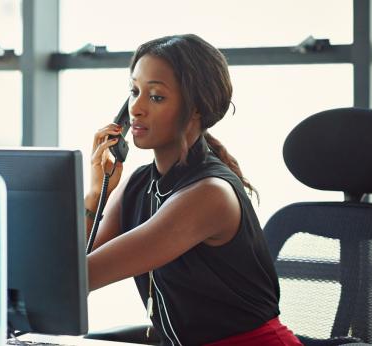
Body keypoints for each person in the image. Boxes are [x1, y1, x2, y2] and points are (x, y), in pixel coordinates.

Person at [85, 34, 302, 346]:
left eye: (156, 97)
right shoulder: (138, 185)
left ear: (196, 108)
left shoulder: (209, 195)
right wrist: (96, 193)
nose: (137, 109)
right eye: (134, 92)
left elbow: (82, 276)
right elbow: (74, 262)